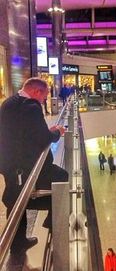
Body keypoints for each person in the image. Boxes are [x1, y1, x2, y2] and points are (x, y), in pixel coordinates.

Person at [0, 78, 68, 259]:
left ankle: (19, 243)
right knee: (61, 176)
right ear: (37, 92)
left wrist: (47, 131)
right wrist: (57, 132)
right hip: (24, 167)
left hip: (10, 164)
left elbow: (28, 133)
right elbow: (43, 138)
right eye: (44, 96)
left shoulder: (9, 103)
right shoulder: (31, 107)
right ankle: (51, 224)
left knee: (15, 199)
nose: (44, 100)